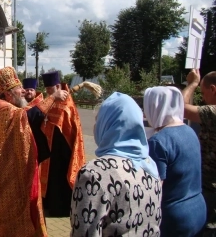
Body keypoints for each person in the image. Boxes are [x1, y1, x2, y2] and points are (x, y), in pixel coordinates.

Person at [0, 66, 68, 237]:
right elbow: (27, 118)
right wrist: (52, 97)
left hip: (6, 173)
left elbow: (26, 114)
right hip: (5, 176)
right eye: (19, 89)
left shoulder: (3, 106)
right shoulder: (4, 109)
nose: (23, 91)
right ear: (8, 93)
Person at [70, 92, 162, 236]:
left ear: (107, 125)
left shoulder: (95, 173)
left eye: (98, 120)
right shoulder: (150, 166)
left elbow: (84, 232)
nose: (95, 127)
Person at [144, 86, 206, 236]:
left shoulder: (159, 142)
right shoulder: (189, 131)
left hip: (174, 219)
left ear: (154, 106)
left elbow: (154, 190)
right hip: (198, 210)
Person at [35, 71, 85, 217]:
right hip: (49, 146)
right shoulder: (51, 99)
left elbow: (70, 126)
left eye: (50, 89)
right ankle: (48, 203)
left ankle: (61, 208)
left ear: (58, 86)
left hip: (63, 147)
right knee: (49, 177)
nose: (48, 92)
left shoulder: (67, 102)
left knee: (59, 177)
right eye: (47, 89)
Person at [182, 69, 216, 229]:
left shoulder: (213, 112)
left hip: (211, 189)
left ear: (213, 89)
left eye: (203, 92)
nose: (202, 98)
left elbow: (181, 108)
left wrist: (192, 84)